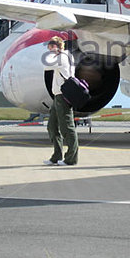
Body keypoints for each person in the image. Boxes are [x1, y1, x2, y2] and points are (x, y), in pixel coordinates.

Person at [43, 36, 79, 166]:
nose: (49, 50)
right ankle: (56, 155)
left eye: (51, 48)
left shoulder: (62, 57)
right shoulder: (65, 56)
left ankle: (71, 158)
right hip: (58, 95)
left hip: (63, 96)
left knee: (67, 127)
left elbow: (46, 65)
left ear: (56, 47)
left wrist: (50, 54)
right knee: (52, 126)